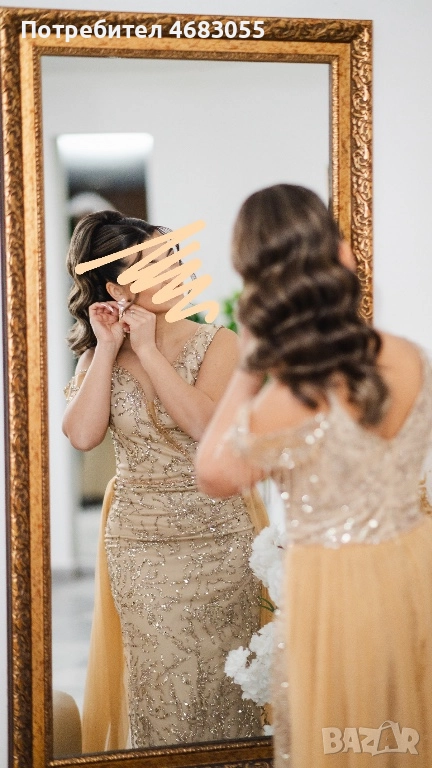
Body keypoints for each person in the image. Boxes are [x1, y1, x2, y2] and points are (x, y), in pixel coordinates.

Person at [195, 184, 432, 768]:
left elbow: (214, 473)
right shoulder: (407, 356)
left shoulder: (294, 397)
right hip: (415, 564)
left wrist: (250, 363)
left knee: (348, 742)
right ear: (340, 256)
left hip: (339, 589)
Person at [62, 210, 267, 751]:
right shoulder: (99, 355)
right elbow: (82, 435)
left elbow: (206, 427)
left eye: (172, 257)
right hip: (140, 545)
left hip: (220, 539)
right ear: (116, 288)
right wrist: (108, 348)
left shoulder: (219, 342)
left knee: (226, 687)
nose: (173, 270)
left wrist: (150, 351)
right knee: (160, 686)